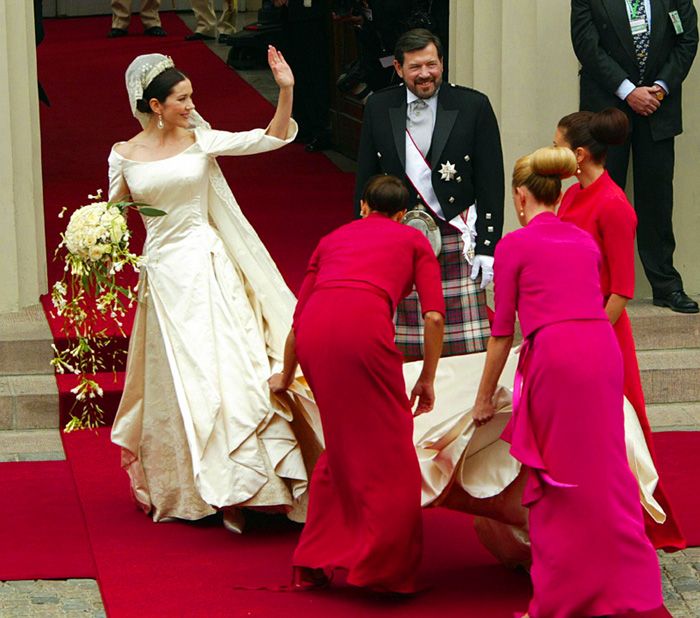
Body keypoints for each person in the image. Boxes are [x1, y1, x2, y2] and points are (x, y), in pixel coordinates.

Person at [109, 49, 321, 533]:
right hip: (163, 276)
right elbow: (112, 212)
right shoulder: (123, 154)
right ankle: (192, 487)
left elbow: (269, 138)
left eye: (191, 97)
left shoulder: (201, 140)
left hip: (207, 266)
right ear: (155, 105)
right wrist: (95, 240)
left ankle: (251, 485)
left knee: (227, 365)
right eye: (181, 99)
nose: (190, 105)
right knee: (185, 378)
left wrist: (285, 89)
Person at [472, 146, 663, 618]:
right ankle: (631, 587)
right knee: (607, 473)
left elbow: (501, 335)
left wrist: (482, 400)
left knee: (559, 482)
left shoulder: (513, 246)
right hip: (601, 350)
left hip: (556, 357)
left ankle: (563, 597)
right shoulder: (582, 241)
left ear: (520, 197)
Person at [269, 174, 445, 592]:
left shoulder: (332, 239)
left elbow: (298, 319)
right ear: (403, 215)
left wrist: (286, 374)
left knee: (341, 449)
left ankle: (314, 560)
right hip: (364, 332)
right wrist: (427, 378)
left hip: (315, 335)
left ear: (363, 206)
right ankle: (384, 569)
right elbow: (434, 317)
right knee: (393, 451)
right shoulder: (414, 240)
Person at [555, 107, 686, 551]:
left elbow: (622, 291)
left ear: (577, 154)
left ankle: (643, 522)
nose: (551, 153)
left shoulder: (614, 205)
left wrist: (588, 336)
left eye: (556, 146)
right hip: (569, 325)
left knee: (624, 429)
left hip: (601, 333)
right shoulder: (570, 196)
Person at [355, 28, 504, 359]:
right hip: (398, 238)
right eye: (415, 67)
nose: (425, 74)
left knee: (465, 348)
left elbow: (491, 179)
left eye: (432, 64)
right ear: (397, 68)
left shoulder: (473, 104)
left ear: (442, 63)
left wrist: (488, 246)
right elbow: (365, 178)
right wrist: (362, 242)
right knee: (402, 348)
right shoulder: (379, 107)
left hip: (456, 234)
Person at [571, 0, 699, 313]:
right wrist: (628, 91)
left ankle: (666, 285)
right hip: (606, 108)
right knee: (600, 199)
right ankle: (594, 283)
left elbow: (688, 38)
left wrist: (661, 87)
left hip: (659, 106)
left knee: (656, 198)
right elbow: (587, 46)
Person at [273, 0, 333, 152]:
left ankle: (320, 129)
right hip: (289, 14)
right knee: (295, 69)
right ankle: (302, 123)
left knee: (315, 71)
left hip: (312, 13)